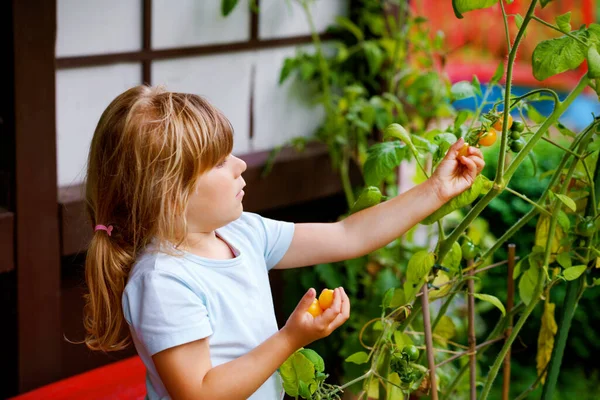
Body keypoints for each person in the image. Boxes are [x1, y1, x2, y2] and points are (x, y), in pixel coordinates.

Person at [82, 85, 484, 400]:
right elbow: (200, 392)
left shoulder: (243, 233)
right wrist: (291, 338)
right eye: (220, 162)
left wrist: (435, 190)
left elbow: (349, 234)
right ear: (171, 194)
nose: (240, 165)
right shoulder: (164, 281)